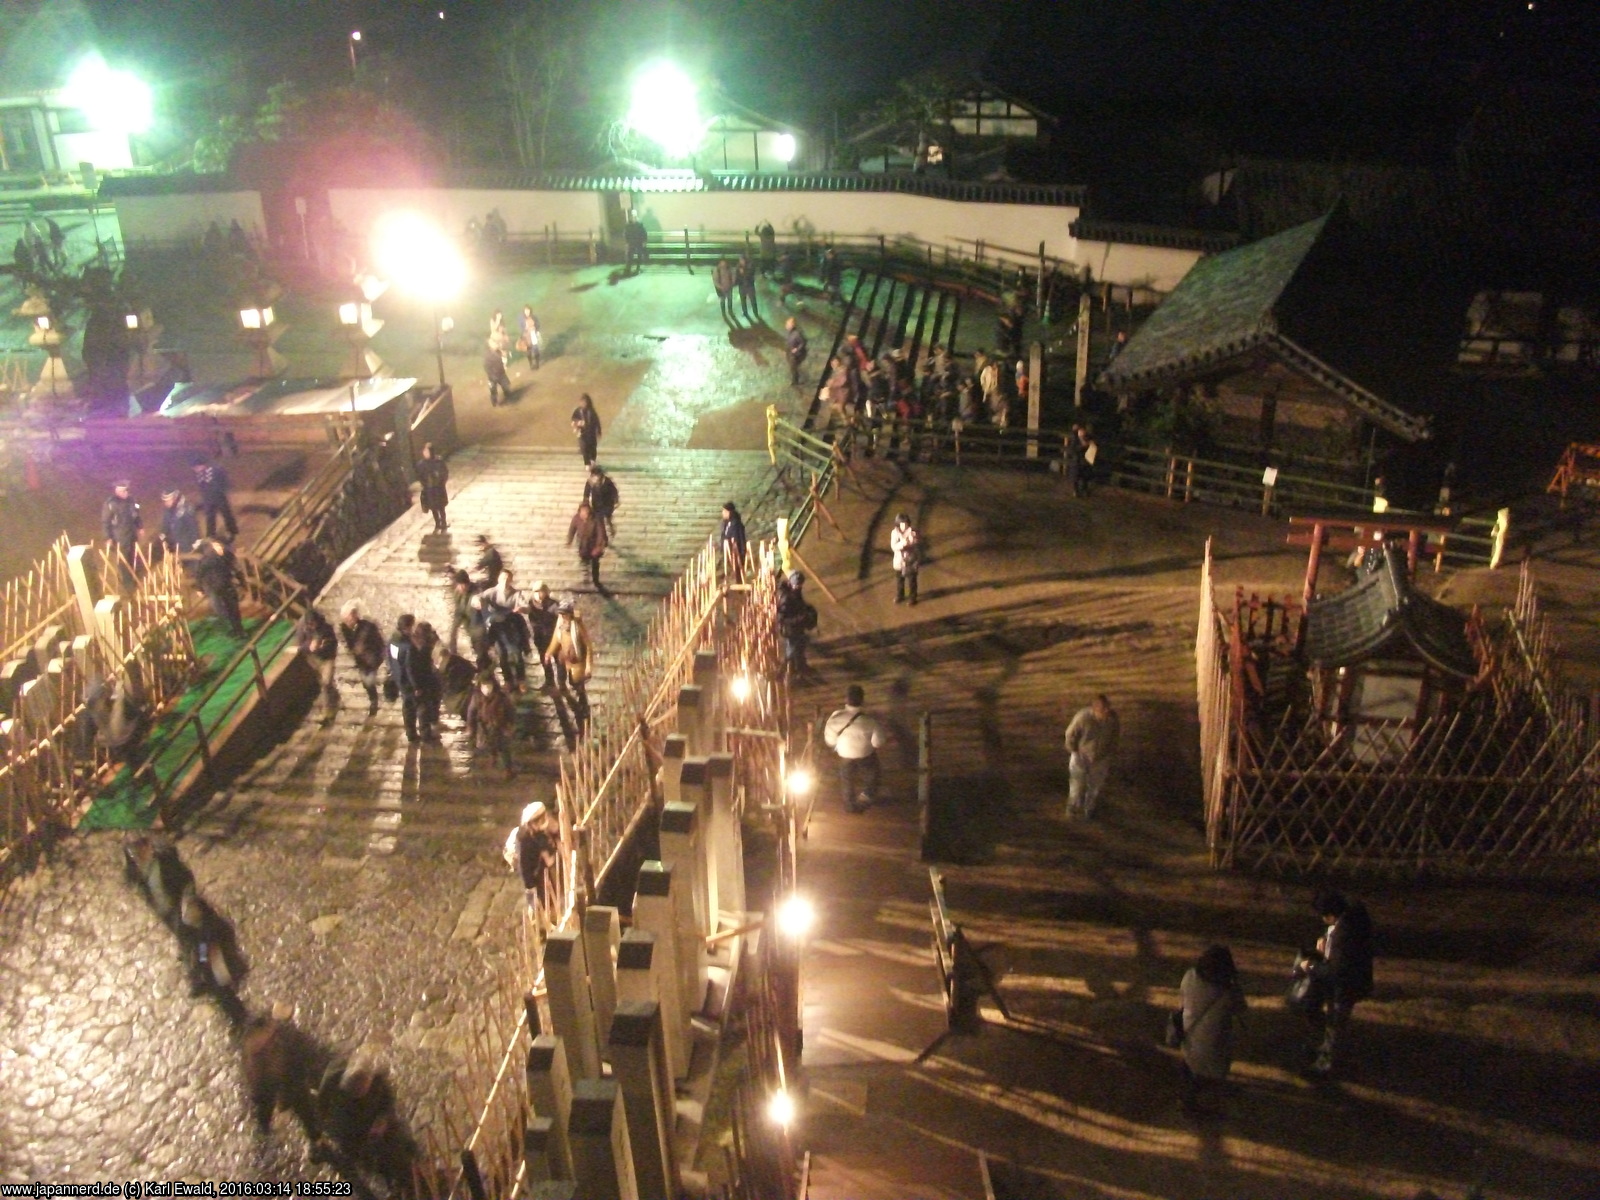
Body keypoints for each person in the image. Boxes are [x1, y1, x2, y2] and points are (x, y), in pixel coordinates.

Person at [1305, 889, 1375, 1076]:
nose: (1323, 920)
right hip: (1348, 983)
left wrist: (1311, 967)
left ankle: (1326, 1064)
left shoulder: (1344, 934)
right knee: (1334, 1021)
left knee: (1335, 1023)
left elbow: (1336, 969)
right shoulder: (1352, 921)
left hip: (1343, 986)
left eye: (1324, 915)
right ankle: (1327, 1053)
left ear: (1331, 913)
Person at [1175, 945, 1248, 1116]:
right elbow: (1241, 1008)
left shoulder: (1190, 976)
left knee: (1191, 1063)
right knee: (1207, 1070)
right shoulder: (1228, 993)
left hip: (1187, 1033)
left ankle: (1188, 1093)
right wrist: (1234, 984)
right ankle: (1193, 1101)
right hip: (1213, 1047)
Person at [824, 684, 885, 813]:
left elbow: (830, 741)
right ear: (862, 700)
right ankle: (866, 796)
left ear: (846, 699)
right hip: (865, 754)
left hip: (845, 754)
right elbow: (878, 743)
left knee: (847, 779)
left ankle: (849, 804)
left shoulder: (836, 717)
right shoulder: (870, 721)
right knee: (873, 774)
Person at [1063, 694, 1119, 818]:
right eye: (1103, 709)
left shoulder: (1113, 719)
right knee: (1077, 785)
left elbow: (1115, 736)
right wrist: (1073, 749)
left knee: (1095, 786)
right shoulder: (1083, 717)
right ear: (1095, 709)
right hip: (1081, 756)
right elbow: (1070, 734)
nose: (1106, 711)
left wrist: (1110, 752)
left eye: (1108, 708)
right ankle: (1072, 809)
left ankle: (1089, 809)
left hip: (1101, 757)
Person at [546, 601, 593, 730]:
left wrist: (588, 666)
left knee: (577, 684)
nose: (563, 617)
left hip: (577, 661)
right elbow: (555, 640)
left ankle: (583, 706)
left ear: (570, 614)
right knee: (561, 682)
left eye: (565, 614)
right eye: (561, 614)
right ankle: (571, 701)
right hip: (564, 659)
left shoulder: (577, 627)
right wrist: (549, 653)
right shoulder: (560, 627)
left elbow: (588, 646)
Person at [504, 801, 559, 910]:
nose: (543, 823)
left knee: (549, 892)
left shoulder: (539, 832)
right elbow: (524, 868)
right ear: (531, 824)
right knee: (539, 902)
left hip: (541, 867)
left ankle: (549, 907)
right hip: (533, 870)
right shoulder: (525, 842)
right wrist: (530, 887)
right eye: (539, 821)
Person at [338, 600, 386, 715]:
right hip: (360, 661)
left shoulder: (368, 627)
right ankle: (373, 698)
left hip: (371, 659)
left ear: (354, 615)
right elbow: (347, 642)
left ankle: (374, 701)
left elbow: (379, 642)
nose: (347, 622)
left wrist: (376, 656)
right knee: (366, 682)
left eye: (349, 618)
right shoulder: (344, 628)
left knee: (369, 681)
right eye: (345, 620)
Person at [466, 671, 517, 777]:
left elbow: (510, 711)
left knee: (503, 748)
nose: (487, 688)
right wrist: (471, 728)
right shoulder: (477, 697)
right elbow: (471, 712)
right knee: (488, 744)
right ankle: (493, 757)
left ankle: (508, 769)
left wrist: (510, 725)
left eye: (489, 685)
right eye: (484, 686)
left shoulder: (501, 697)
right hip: (484, 726)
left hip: (500, 726)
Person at [297, 605, 340, 721]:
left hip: (327, 658)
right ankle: (334, 695)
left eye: (314, 623)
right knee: (324, 683)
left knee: (326, 683)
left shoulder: (326, 627)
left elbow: (333, 642)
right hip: (313, 659)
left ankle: (328, 712)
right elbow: (300, 645)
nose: (313, 626)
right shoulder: (303, 628)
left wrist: (323, 646)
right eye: (310, 624)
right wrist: (309, 646)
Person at [194, 538, 245, 637]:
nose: (219, 548)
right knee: (225, 609)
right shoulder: (209, 559)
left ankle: (238, 630)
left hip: (224, 586)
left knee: (231, 608)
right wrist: (199, 588)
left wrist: (241, 582)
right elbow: (200, 575)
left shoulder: (224, 557)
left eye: (219, 546)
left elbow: (235, 569)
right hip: (217, 587)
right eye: (216, 546)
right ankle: (235, 629)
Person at [776, 570, 817, 679]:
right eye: (797, 584)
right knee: (791, 651)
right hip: (790, 629)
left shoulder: (796, 593)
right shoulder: (786, 598)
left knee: (800, 647)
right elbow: (782, 618)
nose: (799, 587)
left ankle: (800, 668)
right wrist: (799, 619)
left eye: (800, 584)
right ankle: (784, 673)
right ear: (791, 583)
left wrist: (808, 609)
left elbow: (799, 604)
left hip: (797, 627)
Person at [101, 478, 142, 584]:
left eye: (127, 490)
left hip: (132, 535)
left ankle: (134, 575)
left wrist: (140, 526)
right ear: (117, 491)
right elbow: (105, 522)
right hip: (120, 537)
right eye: (123, 491)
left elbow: (136, 514)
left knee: (133, 556)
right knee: (123, 560)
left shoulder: (132, 500)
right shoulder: (111, 504)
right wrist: (108, 537)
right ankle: (127, 582)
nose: (126, 493)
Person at [387, 613, 420, 742]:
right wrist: (416, 686)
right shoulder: (408, 647)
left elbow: (389, 658)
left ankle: (409, 731)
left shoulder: (392, 640)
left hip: (398, 677)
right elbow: (409, 668)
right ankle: (412, 734)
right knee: (410, 708)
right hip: (407, 681)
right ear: (407, 627)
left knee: (406, 705)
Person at [522, 581, 559, 690]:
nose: (538, 594)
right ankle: (549, 681)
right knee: (544, 660)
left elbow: (559, 615)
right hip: (540, 637)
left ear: (545, 592)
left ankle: (561, 683)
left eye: (540, 591)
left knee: (558, 660)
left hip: (553, 637)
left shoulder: (553, 604)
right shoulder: (531, 604)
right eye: (536, 592)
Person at [410, 620, 443, 742]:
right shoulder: (421, 647)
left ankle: (429, 730)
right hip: (426, 680)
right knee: (425, 708)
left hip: (429, 680)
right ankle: (427, 733)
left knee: (429, 706)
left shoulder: (418, 643)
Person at [191, 457, 238, 541]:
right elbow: (201, 486)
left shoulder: (216, 470)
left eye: (196, 468)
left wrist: (223, 491)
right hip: (208, 499)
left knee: (226, 514)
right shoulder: (199, 475)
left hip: (219, 497)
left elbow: (225, 480)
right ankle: (210, 534)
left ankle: (232, 531)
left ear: (201, 465)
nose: (195, 470)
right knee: (210, 517)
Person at [567, 500, 609, 591]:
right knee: (584, 560)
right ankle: (585, 575)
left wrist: (599, 546)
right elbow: (572, 529)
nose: (584, 513)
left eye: (586, 511)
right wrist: (569, 540)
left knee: (595, 562)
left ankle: (595, 579)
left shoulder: (596, 519)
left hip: (594, 545)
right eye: (582, 511)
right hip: (583, 544)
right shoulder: (576, 518)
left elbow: (600, 532)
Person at [415, 441, 449, 534]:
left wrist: (441, 481)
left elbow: (444, 473)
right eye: (424, 451)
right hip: (429, 489)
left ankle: (443, 522)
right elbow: (420, 476)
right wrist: (424, 484)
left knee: (441, 507)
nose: (425, 453)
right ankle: (437, 523)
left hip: (438, 488)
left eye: (427, 451)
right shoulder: (421, 464)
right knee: (433, 507)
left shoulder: (438, 461)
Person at [889, 512, 921, 606]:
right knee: (900, 580)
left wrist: (911, 541)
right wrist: (903, 543)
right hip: (899, 561)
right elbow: (893, 546)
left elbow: (916, 541)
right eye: (902, 524)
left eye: (906, 524)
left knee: (911, 580)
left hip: (910, 560)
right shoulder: (894, 533)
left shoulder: (913, 532)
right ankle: (900, 595)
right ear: (898, 524)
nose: (904, 526)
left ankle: (912, 597)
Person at [159, 489, 201, 559]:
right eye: (165, 501)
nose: (166, 503)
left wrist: (196, 541)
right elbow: (166, 523)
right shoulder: (168, 510)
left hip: (187, 545)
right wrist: (163, 533)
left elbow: (193, 527)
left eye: (168, 500)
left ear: (175, 498)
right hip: (175, 545)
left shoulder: (186, 509)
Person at [583, 464, 620, 536]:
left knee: (608, 517)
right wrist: (585, 502)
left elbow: (614, 491)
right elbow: (586, 493)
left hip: (607, 503)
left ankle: (611, 529)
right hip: (596, 503)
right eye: (593, 475)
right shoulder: (591, 481)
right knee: (597, 518)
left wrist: (616, 500)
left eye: (596, 475)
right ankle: (599, 533)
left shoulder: (607, 481)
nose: (594, 477)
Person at [571, 393, 602, 465]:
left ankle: (592, 461)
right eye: (582, 401)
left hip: (591, 433)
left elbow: (597, 421)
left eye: (585, 402)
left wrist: (599, 431)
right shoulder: (578, 411)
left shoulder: (591, 411)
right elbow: (573, 421)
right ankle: (587, 463)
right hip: (582, 433)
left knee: (592, 448)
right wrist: (577, 424)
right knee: (584, 448)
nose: (583, 403)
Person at [1064, 425, 1094, 498]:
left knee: (1085, 476)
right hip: (1076, 460)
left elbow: (1091, 447)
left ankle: (1084, 489)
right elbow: (1072, 450)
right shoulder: (1074, 439)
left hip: (1085, 460)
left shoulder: (1087, 439)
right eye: (1080, 431)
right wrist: (1081, 447)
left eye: (1083, 431)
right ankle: (1076, 490)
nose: (1082, 433)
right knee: (1075, 477)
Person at [720, 501, 747, 578]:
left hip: (736, 552)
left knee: (738, 573)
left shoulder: (736, 524)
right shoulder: (726, 524)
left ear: (729, 512)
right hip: (728, 552)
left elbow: (740, 539)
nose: (723, 513)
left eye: (724, 511)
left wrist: (741, 552)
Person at [712, 257, 737, 323]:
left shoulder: (730, 269)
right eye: (722, 263)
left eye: (724, 263)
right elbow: (715, 281)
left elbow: (733, 277)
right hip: (721, 289)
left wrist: (731, 284)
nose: (723, 265)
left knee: (729, 299)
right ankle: (723, 313)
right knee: (722, 300)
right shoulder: (717, 270)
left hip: (729, 287)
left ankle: (730, 310)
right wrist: (720, 287)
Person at [785, 317, 808, 386]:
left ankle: (795, 381)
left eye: (788, 325)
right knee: (792, 367)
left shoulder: (797, 334)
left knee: (793, 367)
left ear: (792, 325)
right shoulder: (791, 333)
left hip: (797, 355)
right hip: (791, 353)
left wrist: (797, 349)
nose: (786, 326)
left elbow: (803, 342)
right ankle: (795, 379)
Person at [736, 254, 760, 322]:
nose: (741, 261)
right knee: (743, 300)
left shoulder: (750, 266)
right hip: (742, 286)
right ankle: (745, 312)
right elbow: (737, 276)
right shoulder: (738, 267)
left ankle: (755, 312)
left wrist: (743, 272)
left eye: (742, 260)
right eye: (740, 260)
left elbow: (750, 275)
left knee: (752, 299)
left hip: (750, 285)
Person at [519, 305, 541, 369]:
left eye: (528, 310)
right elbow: (521, 327)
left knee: (536, 349)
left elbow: (538, 324)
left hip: (533, 334)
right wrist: (525, 328)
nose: (527, 312)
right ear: (524, 311)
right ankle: (531, 364)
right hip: (526, 336)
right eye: (526, 310)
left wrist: (535, 328)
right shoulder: (522, 319)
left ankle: (537, 364)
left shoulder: (534, 317)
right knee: (528, 351)